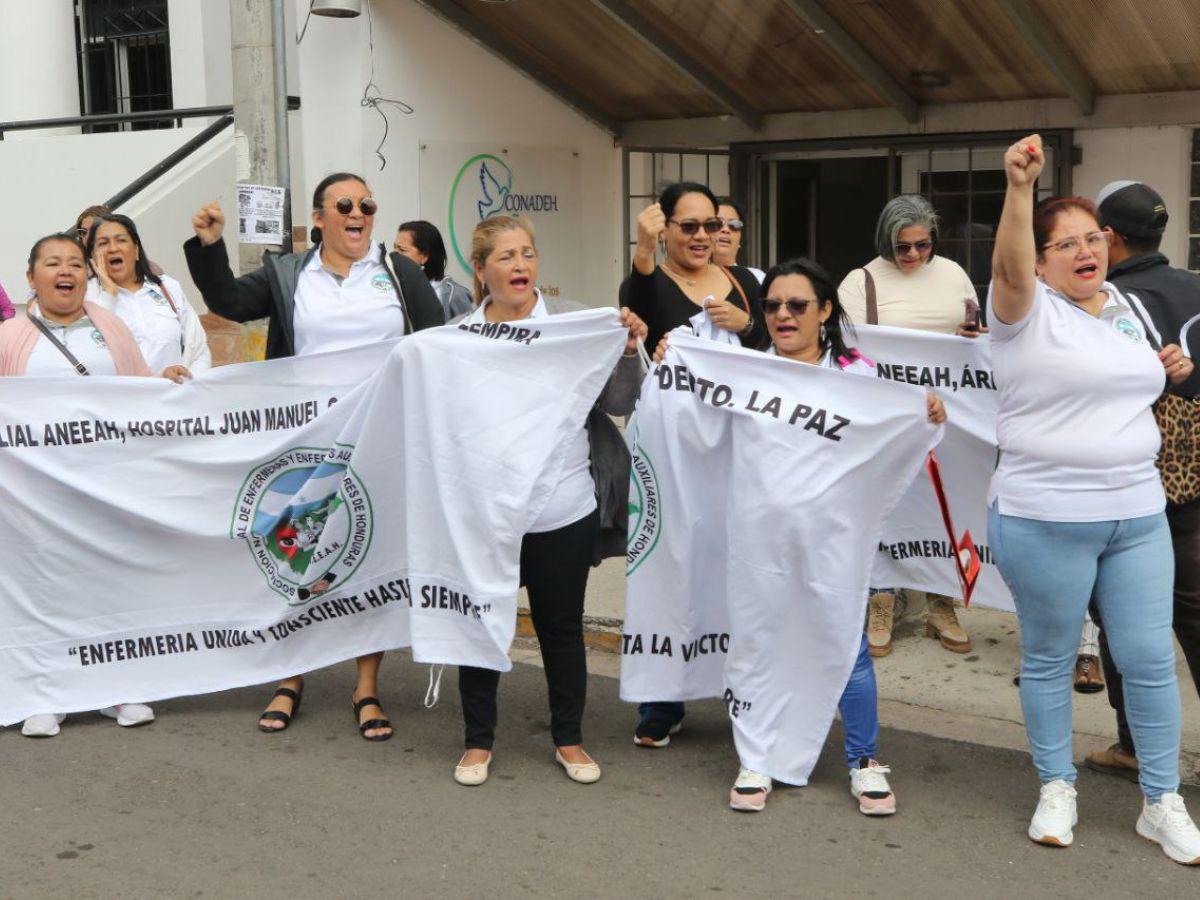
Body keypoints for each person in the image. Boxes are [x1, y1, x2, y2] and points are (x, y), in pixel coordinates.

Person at [655, 259, 944, 814]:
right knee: (759, 647)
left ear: (826, 311)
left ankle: (864, 760)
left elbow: (896, 438)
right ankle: (757, 758)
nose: (783, 315)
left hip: (832, 545)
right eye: (772, 306)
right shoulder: (744, 372)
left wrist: (926, 412)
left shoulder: (858, 378)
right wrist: (673, 365)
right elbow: (693, 425)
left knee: (846, 648)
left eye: (797, 305)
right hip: (758, 546)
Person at [988, 134, 1200, 863]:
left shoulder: (1129, 309)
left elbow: (1130, 380)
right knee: (1049, 659)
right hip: (1044, 516)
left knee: (1146, 659)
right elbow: (1010, 263)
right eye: (1066, 244)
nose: (1086, 252)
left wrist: (1165, 367)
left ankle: (1162, 801)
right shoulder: (1021, 311)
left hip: (1138, 516)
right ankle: (1056, 785)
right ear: (1041, 261)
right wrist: (1020, 190)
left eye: (1094, 239)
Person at [184, 171, 446, 740]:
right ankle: (291, 674)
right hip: (306, 436)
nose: (360, 213)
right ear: (320, 217)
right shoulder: (290, 273)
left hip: (381, 435)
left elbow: (438, 340)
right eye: (346, 204)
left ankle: (367, 687)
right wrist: (209, 247)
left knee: (366, 553)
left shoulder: (397, 272)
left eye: (368, 204)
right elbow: (229, 300)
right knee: (297, 552)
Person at [450, 215, 647, 787]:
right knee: (483, 624)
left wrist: (628, 348)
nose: (520, 266)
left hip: (563, 506)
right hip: (487, 513)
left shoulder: (575, 322)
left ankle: (569, 738)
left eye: (528, 254)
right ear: (481, 270)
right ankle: (477, 742)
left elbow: (618, 399)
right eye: (506, 257)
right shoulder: (456, 335)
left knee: (561, 629)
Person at [0, 233, 177, 736]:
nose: (66, 272)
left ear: (87, 275)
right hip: (32, 496)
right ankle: (43, 694)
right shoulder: (10, 339)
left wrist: (170, 381)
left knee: (107, 585)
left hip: (106, 488)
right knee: (42, 590)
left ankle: (116, 690)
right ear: (31, 277)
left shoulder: (111, 327)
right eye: (52, 264)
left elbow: (140, 387)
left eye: (76, 264)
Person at [621, 181, 766, 749]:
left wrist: (747, 327)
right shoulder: (650, 281)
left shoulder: (749, 285)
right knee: (670, 565)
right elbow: (636, 307)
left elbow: (781, 354)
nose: (704, 236)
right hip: (672, 458)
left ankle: (742, 692)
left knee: (738, 569)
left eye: (714, 225)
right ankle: (663, 701)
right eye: (690, 226)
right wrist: (642, 250)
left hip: (736, 453)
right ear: (666, 229)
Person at [1084, 180, 1200, 782]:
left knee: (1122, 611)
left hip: (1132, 478)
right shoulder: (1195, 286)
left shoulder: (1107, 302)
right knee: (1196, 612)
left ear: (1109, 236)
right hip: (1195, 481)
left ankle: (1134, 745)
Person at [838, 194, 981, 657]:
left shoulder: (954, 273)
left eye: (923, 245)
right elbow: (849, 350)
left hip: (948, 412)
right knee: (888, 503)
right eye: (903, 247)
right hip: (890, 416)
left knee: (944, 504)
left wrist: (969, 336)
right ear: (886, 242)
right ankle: (882, 596)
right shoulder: (860, 282)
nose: (915, 255)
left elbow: (973, 328)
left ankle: (941, 600)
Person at [85, 213, 211, 376]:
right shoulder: (85, 296)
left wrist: (188, 385)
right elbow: (89, 353)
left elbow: (198, 350)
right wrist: (108, 294)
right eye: (103, 243)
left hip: (177, 395)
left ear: (136, 250)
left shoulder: (168, 287)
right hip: (122, 398)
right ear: (93, 256)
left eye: (121, 240)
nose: (113, 248)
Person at [394, 219, 474, 318]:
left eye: (402, 250)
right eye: (395, 248)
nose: (394, 254)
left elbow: (467, 331)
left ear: (424, 256)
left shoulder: (455, 295)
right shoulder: (392, 288)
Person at [713, 198, 764, 283]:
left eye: (734, 225)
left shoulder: (757, 278)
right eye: (717, 223)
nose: (725, 229)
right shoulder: (687, 279)